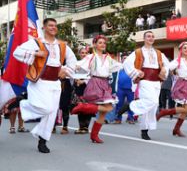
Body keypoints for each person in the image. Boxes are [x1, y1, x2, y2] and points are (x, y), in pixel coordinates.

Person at [13, 18, 77, 153]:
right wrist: (36, 53)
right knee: (46, 108)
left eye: (55, 25)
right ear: (44, 28)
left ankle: (42, 141)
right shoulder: (37, 42)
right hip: (40, 82)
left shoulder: (62, 45)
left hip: (55, 83)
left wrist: (66, 70)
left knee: (52, 113)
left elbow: (73, 61)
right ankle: (23, 103)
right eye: (50, 25)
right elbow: (17, 52)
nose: (53, 27)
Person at [71, 35, 123, 144]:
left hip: (105, 84)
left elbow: (119, 66)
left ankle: (94, 135)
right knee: (108, 108)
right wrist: (69, 70)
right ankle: (85, 107)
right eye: (100, 43)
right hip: (95, 83)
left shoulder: (108, 58)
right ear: (95, 44)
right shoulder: (91, 57)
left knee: (104, 112)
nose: (103, 44)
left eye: (104, 43)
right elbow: (78, 66)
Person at [121, 31, 170, 140]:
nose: (151, 38)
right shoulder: (138, 52)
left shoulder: (158, 53)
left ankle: (145, 129)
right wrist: (136, 72)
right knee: (152, 102)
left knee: (153, 106)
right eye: (148, 36)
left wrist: (164, 70)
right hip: (145, 80)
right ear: (144, 38)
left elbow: (167, 65)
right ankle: (131, 107)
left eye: (152, 36)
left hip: (156, 82)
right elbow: (126, 64)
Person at [156, 42, 187, 137]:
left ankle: (176, 128)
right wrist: (164, 69)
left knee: (186, 110)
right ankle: (164, 112)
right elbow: (168, 66)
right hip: (181, 84)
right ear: (181, 50)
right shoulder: (178, 61)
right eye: (184, 48)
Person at [114, 55, 135, 124]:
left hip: (130, 89)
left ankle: (130, 118)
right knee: (119, 104)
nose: (125, 60)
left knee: (131, 104)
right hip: (120, 88)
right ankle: (118, 118)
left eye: (127, 58)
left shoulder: (133, 68)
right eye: (124, 58)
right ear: (121, 60)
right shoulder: (119, 67)